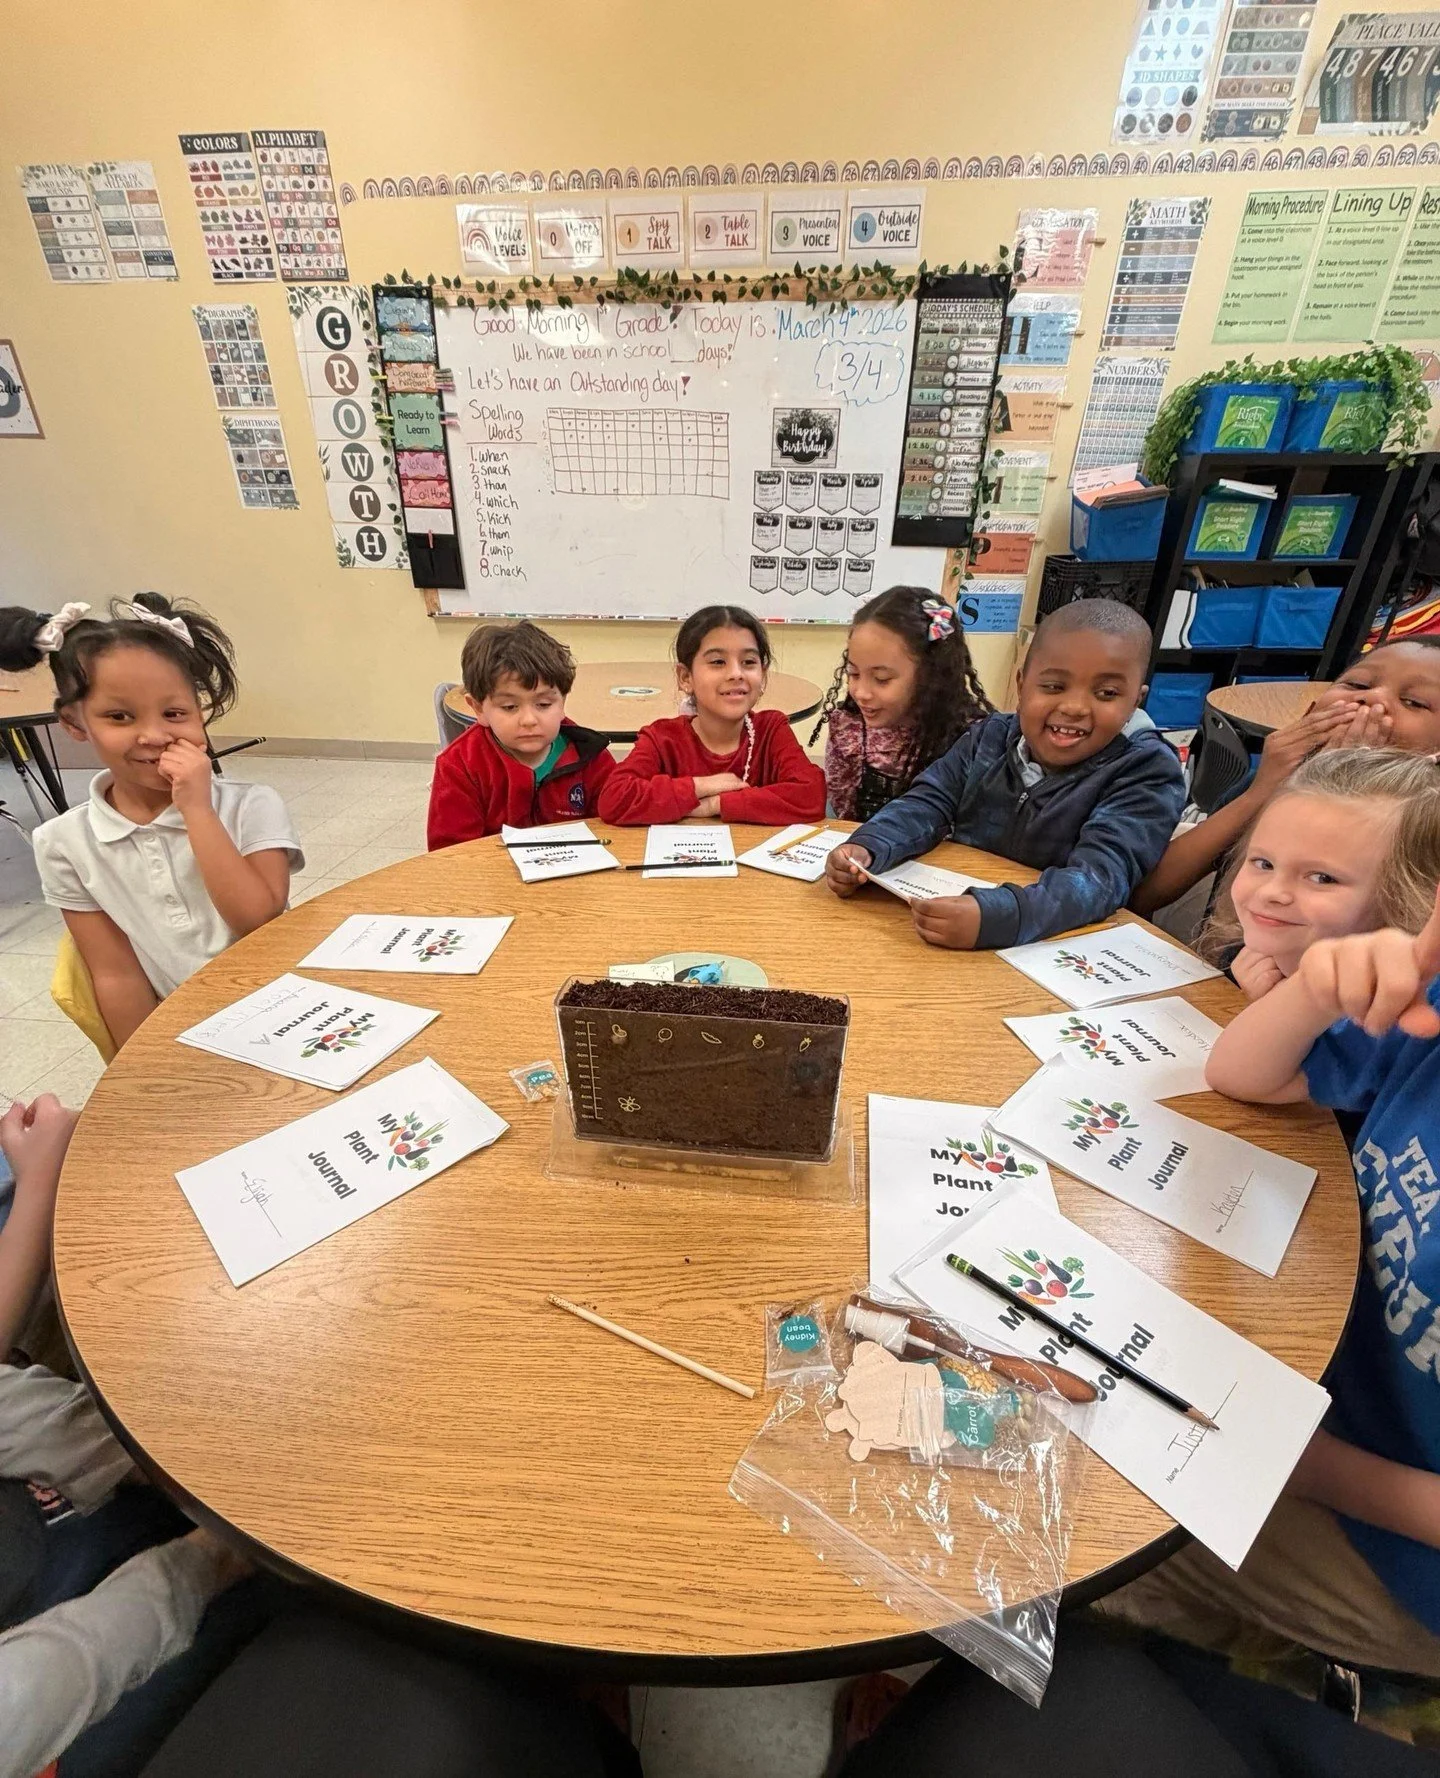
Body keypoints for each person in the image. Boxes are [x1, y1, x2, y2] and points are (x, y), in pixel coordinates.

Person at [1107, 886, 1440, 1678]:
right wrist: (1314, 990)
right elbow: (1241, 1073)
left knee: (1112, 1528)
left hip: (1395, 1541)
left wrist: (1314, 1467)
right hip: (1311, 1368)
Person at [0, 596, 301, 1052]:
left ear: (200, 712)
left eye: (174, 714)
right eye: (119, 716)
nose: (154, 736)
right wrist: (142, 1069)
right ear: (74, 723)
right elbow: (116, 974)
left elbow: (257, 920)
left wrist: (197, 810)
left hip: (292, 1005)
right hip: (188, 1031)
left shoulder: (253, 805)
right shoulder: (62, 843)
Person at [824, 599, 1186, 949]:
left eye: (1106, 693)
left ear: (1135, 701)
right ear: (1021, 683)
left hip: (1052, 948)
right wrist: (869, 845)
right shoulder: (991, 736)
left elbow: (1098, 881)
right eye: (1054, 686)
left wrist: (999, 917)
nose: (1075, 707)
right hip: (957, 918)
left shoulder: (1147, 771)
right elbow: (928, 801)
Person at [1133, 634, 1440, 921]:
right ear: (1310, 710)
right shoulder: (1268, 780)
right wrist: (1264, 790)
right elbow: (1146, 895)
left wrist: (1342, 786)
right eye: (1357, 685)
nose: (1372, 699)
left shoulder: (1425, 826)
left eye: (1414, 702)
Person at [1197, 749, 1440, 1002]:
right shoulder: (1242, 958)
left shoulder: (1394, 1012)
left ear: (1408, 901)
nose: (1271, 892)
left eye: (1322, 878)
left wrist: (1275, 1011)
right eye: (1264, 863)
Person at [597, 605, 824, 825]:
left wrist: (715, 804)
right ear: (685, 678)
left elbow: (811, 794)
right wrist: (703, 786)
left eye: (748, 662)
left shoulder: (771, 730)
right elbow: (614, 799)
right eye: (718, 662)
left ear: (762, 676)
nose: (736, 673)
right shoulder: (662, 738)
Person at [426, 620, 616, 849]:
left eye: (544, 704)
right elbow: (449, 853)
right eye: (509, 707)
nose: (529, 720)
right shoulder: (459, 766)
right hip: (490, 870)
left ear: (562, 702)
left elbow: (615, 833)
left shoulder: (591, 757)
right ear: (478, 708)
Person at [810, 586, 993, 822]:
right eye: (853, 673)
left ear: (930, 675)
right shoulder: (848, 729)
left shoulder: (973, 741)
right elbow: (843, 815)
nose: (861, 693)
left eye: (881, 679)